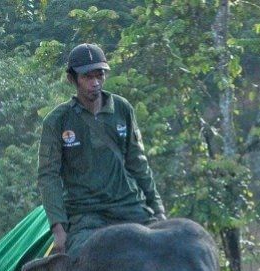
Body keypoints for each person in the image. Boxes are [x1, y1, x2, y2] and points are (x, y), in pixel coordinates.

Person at [37, 43, 166, 257]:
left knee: (168, 248)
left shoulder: (123, 109)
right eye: (88, 77)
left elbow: (138, 163)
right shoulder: (57, 121)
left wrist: (158, 209)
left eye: (100, 75)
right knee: (80, 262)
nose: (95, 83)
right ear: (72, 79)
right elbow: (48, 176)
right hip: (85, 215)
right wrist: (59, 229)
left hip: (128, 205)